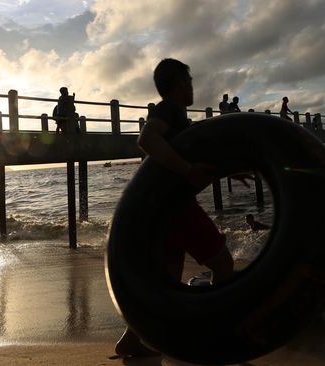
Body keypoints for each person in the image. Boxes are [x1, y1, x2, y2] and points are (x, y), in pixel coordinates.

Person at [114, 58, 237, 358]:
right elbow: (147, 139)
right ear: (181, 83)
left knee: (168, 278)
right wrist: (185, 169)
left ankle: (133, 339)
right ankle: (214, 332)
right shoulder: (169, 109)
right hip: (176, 207)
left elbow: (196, 155)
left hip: (160, 209)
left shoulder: (177, 117)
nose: (192, 87)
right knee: (223, 265)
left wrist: (235, 166)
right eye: (190, 81)